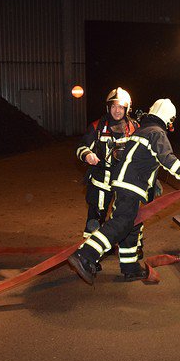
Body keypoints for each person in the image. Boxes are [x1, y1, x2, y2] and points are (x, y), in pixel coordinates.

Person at [68, 98, 180, 284]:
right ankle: (85, 255)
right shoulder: (157, 133)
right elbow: (168, 160)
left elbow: (140, 159)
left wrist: (153, 181)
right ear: (169, 119)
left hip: (122, 184)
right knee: (120, 223)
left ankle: (130, 268)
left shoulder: (142, 130)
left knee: (132, 225)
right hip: (131, 187)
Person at [76, 87, 139, 250]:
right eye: (114, 106)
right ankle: (89, 253)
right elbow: (81, 147)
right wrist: (87, 155)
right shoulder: (97, 127)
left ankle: (130, 248)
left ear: (127, 109)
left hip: (124, 183)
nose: (117, 111)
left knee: (126, 217)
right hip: (100, 182)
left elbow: (143, 153)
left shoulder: (134, 128)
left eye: (121, 107)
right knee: (95, 219)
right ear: (108, 107)